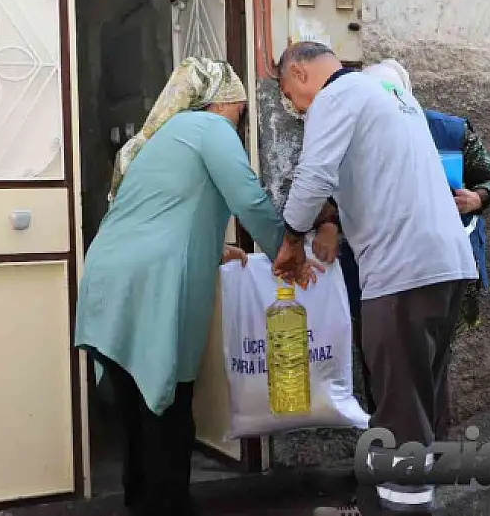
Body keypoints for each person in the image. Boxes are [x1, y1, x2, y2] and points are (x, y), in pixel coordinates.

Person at [74, 57, 318, 516]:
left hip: (110, 275)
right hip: (152, 281)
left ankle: (142, 502)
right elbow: (247, 196)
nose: (239, 119)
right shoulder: (210, 130)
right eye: (239, 109)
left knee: (134, 405)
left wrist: (213, 248)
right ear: (221, 101)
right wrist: (289, 253)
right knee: (167, 403)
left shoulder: (161, 138)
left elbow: (165, 209)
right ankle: (169, 505)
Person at [272, 42, 478, 513]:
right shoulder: (387, 96)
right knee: (411, 401)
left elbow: (312, 177)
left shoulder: (336, 96)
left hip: (402, 270)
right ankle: (375, 504)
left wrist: (289, 243)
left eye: (289, 95)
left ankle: (404, 505)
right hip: (445, 265)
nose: (295, 108)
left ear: (301, 73)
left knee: (402, 408)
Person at [314, 60, 490, 432]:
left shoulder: (450, 130)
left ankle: (414, 464)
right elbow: (334, 190)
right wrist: (328, 223)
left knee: (426, 369)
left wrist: (477, 198)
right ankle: (394, 458)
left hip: (435, 264)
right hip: (377, 267)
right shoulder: (357, 129)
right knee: (387, 369)